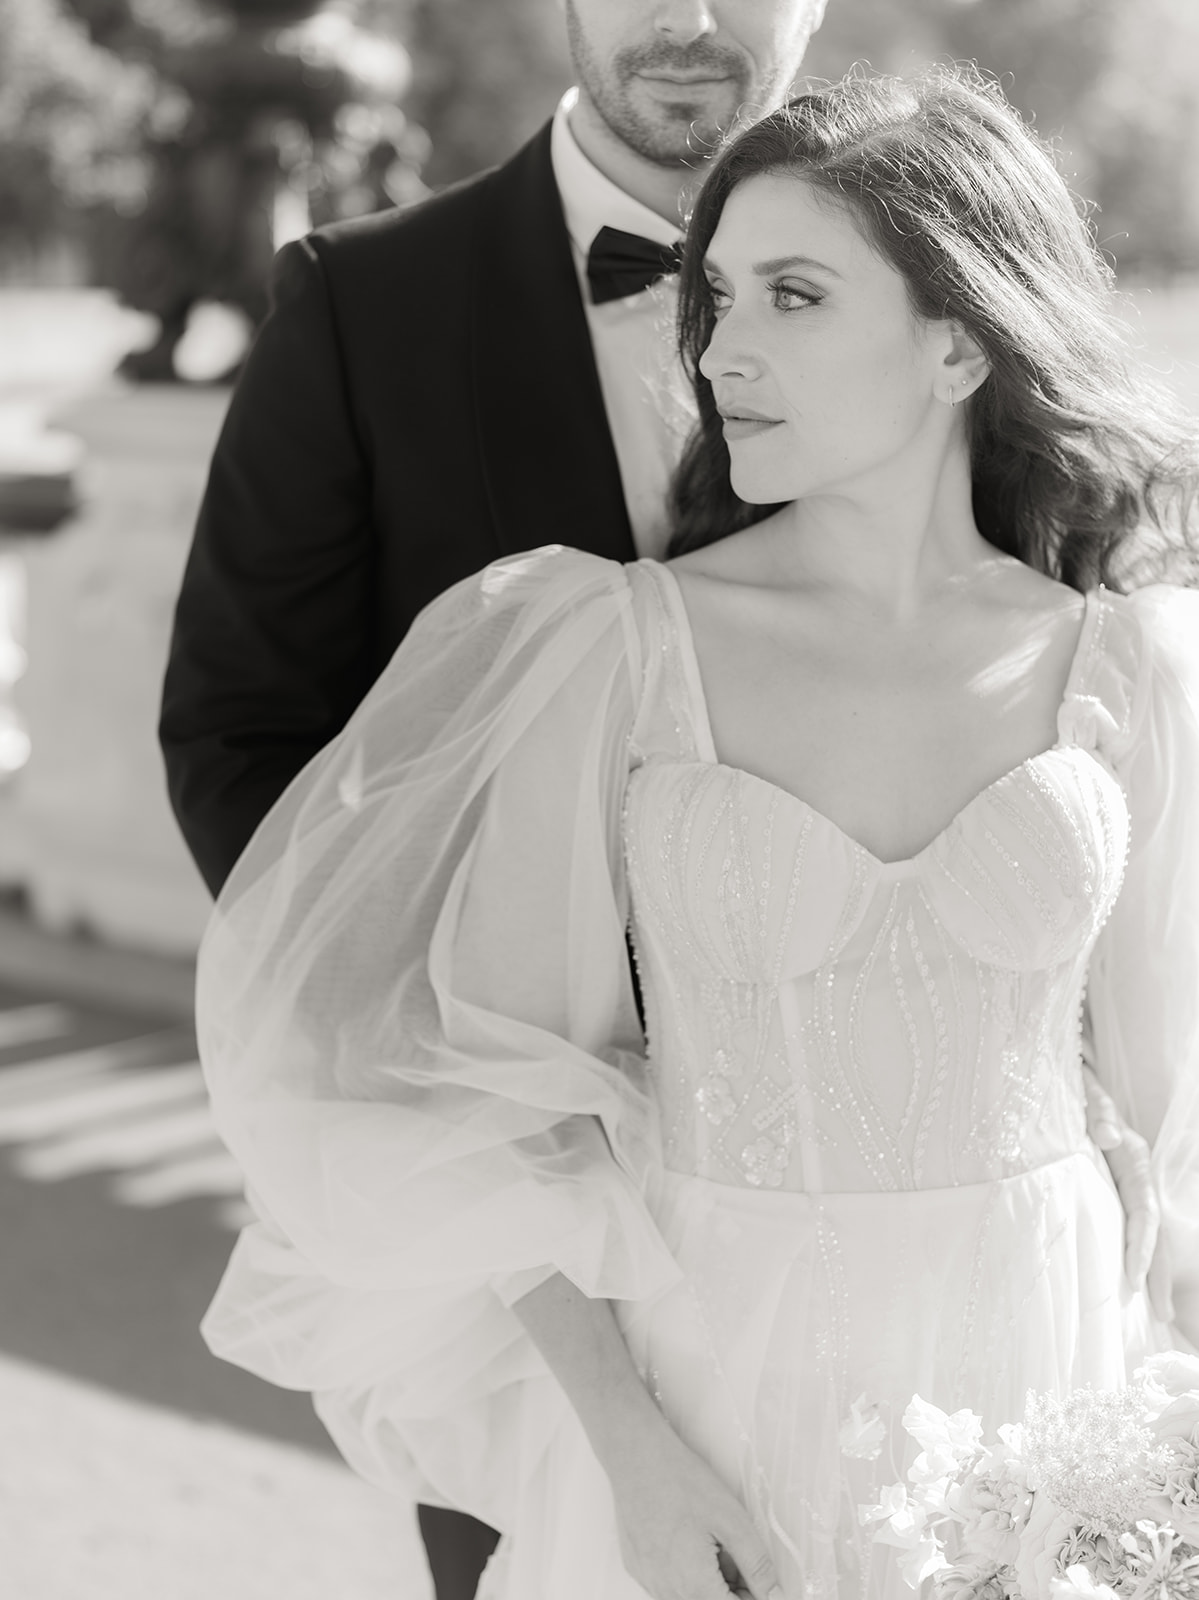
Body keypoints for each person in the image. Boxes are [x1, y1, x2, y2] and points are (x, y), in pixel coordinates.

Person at [193, 65, 1199, 1600]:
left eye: (793, 297)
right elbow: (485, 1093)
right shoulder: (612, 647)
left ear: (957, 341)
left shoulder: (1128, 663)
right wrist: (631, 1453)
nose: (722, 352)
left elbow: (1159, 1112)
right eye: (717, 299)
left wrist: (1155, 1448)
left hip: (1045, 1375)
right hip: (711, 1388)